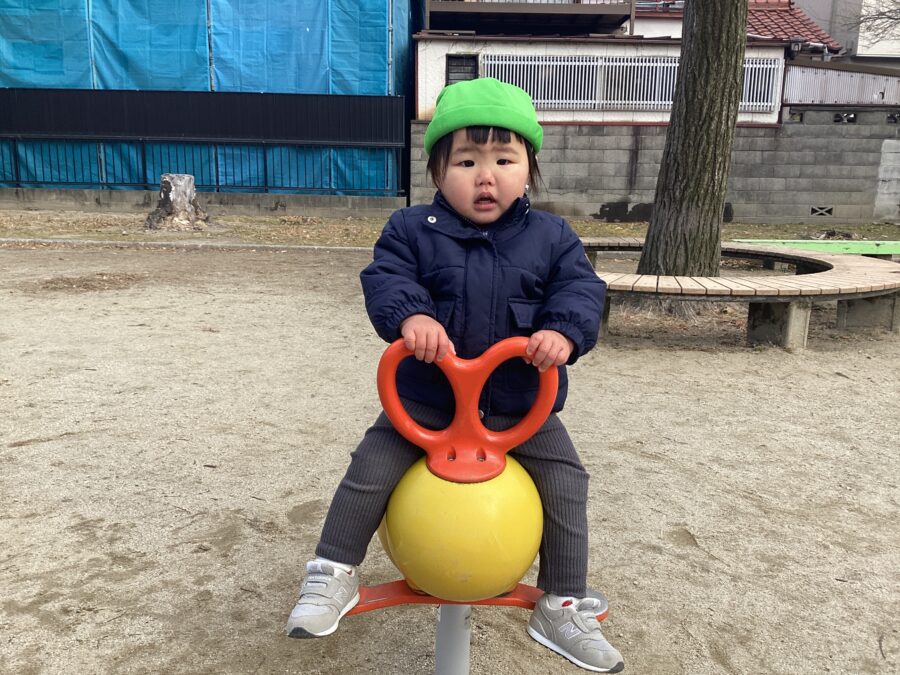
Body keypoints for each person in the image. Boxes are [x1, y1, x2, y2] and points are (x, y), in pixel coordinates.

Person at [285, 77, 624, 673]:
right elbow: (387, 278)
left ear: (529, 169)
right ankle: (333, 571)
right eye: (466, 162)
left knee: (567, 482)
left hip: (519, 407)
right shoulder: (410, 230)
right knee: (370, 467)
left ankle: (564, 603)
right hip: (426, 402)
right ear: (438, 173)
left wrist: (563, 332)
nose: (485, 177)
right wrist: (410, 315)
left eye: (504, 160)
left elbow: (580, 290)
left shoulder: (553, 238)